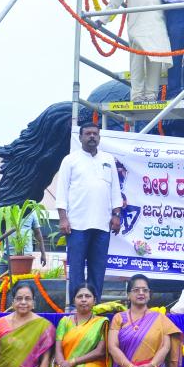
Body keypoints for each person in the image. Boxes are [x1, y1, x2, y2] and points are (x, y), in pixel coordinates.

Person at [56, 122, 123, 303]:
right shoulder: (70, 160)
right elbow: (61, 191)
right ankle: (77, 307)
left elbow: (115, 190)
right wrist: (63, 218)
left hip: (102, 225)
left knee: (98, 268)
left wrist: (116, 215)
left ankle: (95, 305)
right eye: (88, 134)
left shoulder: (108, 160)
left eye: (95, 134)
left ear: (99, 138)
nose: (92, 136)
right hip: (77, 224)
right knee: (76, 268)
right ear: (80, 137)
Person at [104, 0, 172, 104]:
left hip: (157, 22)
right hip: (137, 22)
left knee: (156, 59)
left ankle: (151, 95)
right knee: (137, 61)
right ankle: (137, 96)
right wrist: (103, 19)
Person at [0, 210, 47, 274]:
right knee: (1, 281)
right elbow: (1, 229)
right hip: (7, 253)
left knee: (21, 282)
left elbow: (37, 233)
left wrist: (43, 253)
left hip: (25, 255)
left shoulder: (31, 211)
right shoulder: (8, 209)